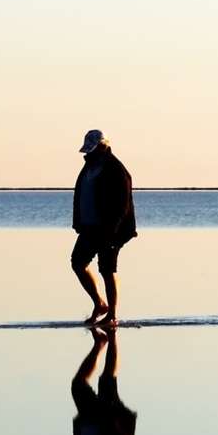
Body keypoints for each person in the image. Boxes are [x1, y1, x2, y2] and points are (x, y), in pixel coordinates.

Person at [70, 129, 136, 327]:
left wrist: (112, 230)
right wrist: (78, 221)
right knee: (78, 263)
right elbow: (79, 195)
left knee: (107, 270)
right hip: (89, 227)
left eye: (93, 149)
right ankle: (99, 304)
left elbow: (122, 205)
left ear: (103, 146)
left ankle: (112, 315)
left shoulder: (116, 169)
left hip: (111, 230)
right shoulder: (88, 168)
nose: (89, 154)